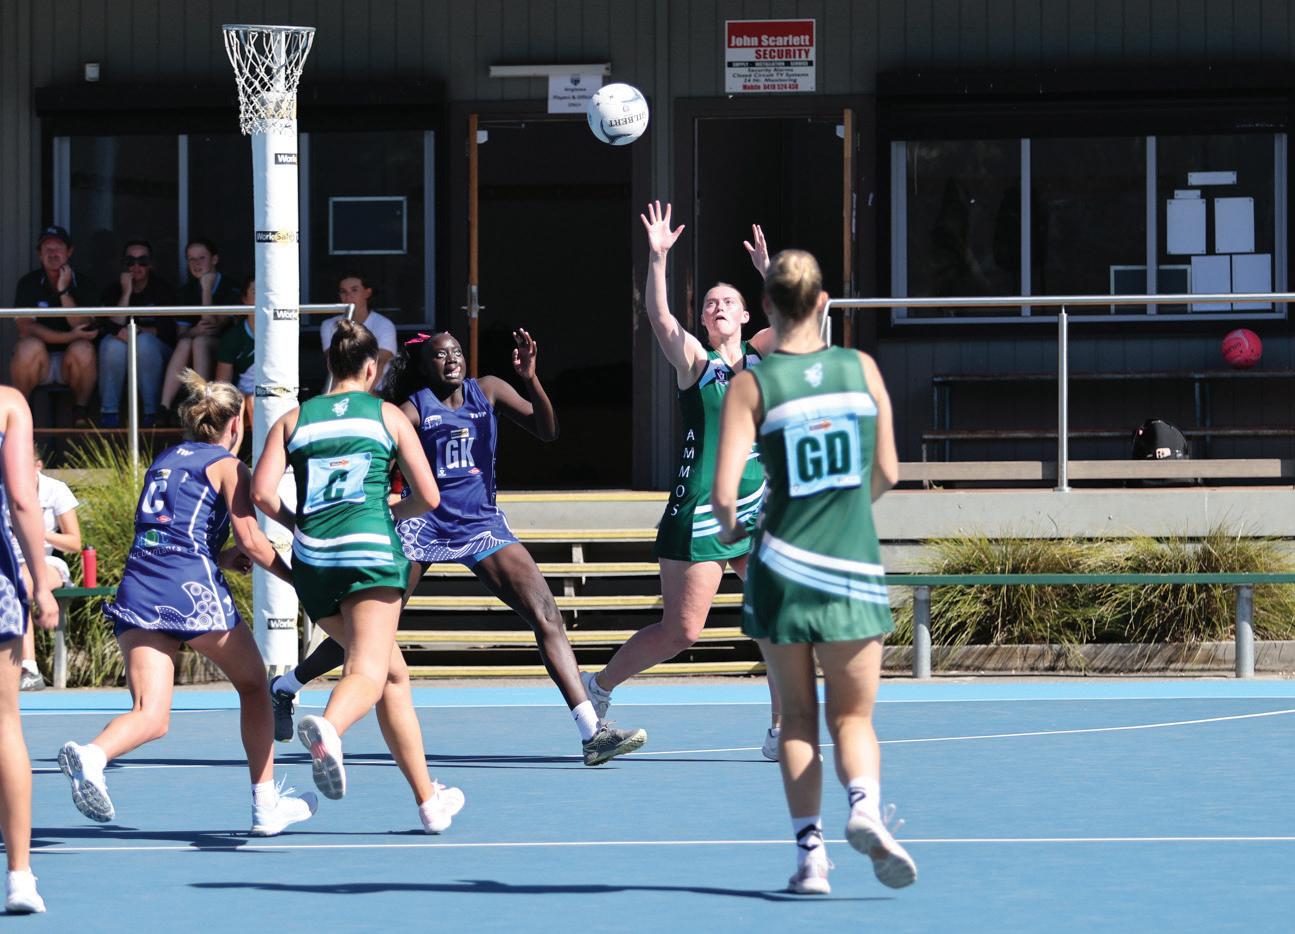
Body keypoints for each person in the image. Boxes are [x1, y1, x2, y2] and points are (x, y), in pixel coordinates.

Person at [267, 330, 648, 767]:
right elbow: (370, 466)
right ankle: (286, 687)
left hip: (481, 525)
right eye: (440, 355)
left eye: (457, 352)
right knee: (368, 634)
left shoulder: (489, 390)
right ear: (423, 365)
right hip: (423, 525)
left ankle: (592, 734)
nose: (451, 359)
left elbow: (548, 431)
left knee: (546, 614)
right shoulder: (410, 411)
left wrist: (530, 378)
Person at [712, 249, 915, 895]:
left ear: (766, 307)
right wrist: (844, 511)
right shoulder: (860, 369)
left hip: (780, 568)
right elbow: (888, 472)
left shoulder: (752, 384)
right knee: (852, 718)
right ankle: (864, 807)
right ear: (822, 303)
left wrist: (731, 531)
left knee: (796, 718)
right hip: (849, 566)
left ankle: (811, 859)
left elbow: (724, 499)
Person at [56, 370, 317, 837]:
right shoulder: (228, 466)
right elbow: (253, 541)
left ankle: (93, 755)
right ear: (236, 424)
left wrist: (219, 556)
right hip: (188, 589)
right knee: (255, 687)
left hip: (139, 585)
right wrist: (299, 579)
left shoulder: (165, 461)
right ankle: (265, 805)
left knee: (151, 715)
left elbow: (169, 534)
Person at [580, 203, 782, 756]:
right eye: (710, 303)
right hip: (701, 510)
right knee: (682, 631)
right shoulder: (697, 362)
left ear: (746, 315)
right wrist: (658, 258)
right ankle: (598, 687)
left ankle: (780, 731)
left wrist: (769, 272)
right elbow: (661, 318)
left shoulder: (762, 355)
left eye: (728, 302)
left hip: (755, 506)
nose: (717, 307)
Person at [252, 320, 465, 831]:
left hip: (313, 562)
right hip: (369, 552)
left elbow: (261, 493)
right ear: (373, 369)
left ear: (330, 364)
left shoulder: (294, 418)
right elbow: (429, 496)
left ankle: (429, 802)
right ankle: (329, 727)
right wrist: (392, 510)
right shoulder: (387, 414)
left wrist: (297, 522)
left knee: (391, 673)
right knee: (367, 672)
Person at [0, 385, 59, 913]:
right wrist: (41, 583)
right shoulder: (8, 403)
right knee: (4, 723)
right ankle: (19, 875)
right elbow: (22, 498)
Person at [10, 225, 98, 426]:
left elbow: (85, 327)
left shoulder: (85, 284)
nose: (53, 253)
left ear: (69, 252)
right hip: (40, 362)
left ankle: (80, 412)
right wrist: (70, 336)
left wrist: (63, 292)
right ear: (39, 254)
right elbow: (25, 328)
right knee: (28, 346)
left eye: (58, 248)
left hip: (72, 362)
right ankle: (21, 415)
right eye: (47, 248)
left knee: (83, 348)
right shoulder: (28, 283)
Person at [11, 452, 81, 691]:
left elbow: (74, 543)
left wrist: (38, 532)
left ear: (38, 465)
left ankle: (29, 668)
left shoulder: (56, 490)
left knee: (17, 583)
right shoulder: (5, 489)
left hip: (47, 563)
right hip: (9, 564)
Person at [97, 239, 178, 428]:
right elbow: (109, 325)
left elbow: (168, 330)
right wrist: (126, 293)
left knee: (144, 343)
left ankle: (152, 414)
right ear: (123, 264)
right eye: (130, 261)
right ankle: (109, 414)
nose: (136, 266)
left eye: (143, 261)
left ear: (151, 264)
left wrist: (138, 332)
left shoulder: (163, 289)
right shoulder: (113, 290)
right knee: (112, 345)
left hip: (157, 351)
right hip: (122, 348)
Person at [159, 238, 242, 415]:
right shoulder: (186, 291)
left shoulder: (231, 288)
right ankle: (164, 407)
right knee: (186, 342)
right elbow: (181, 335)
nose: (196, 263)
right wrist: (194, 331)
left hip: (227, 350)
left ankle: (202, 402)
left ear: (214, 259)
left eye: (202, 258)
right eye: (191, 259)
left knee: (200, 341)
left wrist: (206, 289)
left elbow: (211, 325)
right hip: (196, 349)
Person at [319, 274, 398, 388]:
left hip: (377, 391)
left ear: (367, 293)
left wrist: (365, 394)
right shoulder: (328, 325)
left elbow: (379, 362)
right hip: (339, 391)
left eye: (354, 290)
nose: (348, 296)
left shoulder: (384, 324)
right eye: (343, 291)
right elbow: (334, 359)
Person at [214, 276, 256, 429]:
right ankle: (231, 445)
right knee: (243, 401)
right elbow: (222, 384)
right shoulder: (233, 337)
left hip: (273, 395)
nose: (263, 297)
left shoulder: (284, 332)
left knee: (254, 400)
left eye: (267, 292)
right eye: (256, 292)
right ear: (244, 299)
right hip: (242, 396)